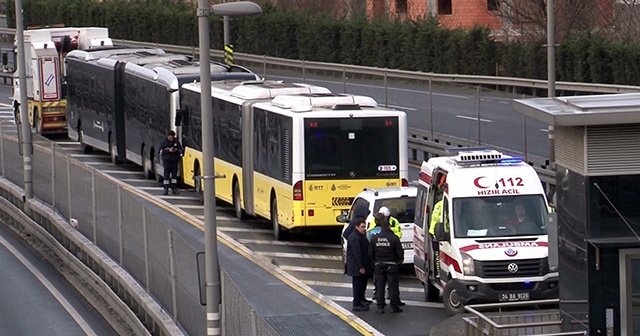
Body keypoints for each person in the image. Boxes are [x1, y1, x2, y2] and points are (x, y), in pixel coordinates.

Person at [369, 213, 403, 314]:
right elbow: (399, 252)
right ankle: (394, 306)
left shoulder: (375, 238)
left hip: (379, 264)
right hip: (392, 264)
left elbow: (370, 253)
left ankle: (380, 307)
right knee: (393, 286)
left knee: (380, 286)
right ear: (389, 226)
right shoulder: (394, 238)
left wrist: (374, 262)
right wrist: (399, 260)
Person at [346, 219, 373, 311]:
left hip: (362, 264)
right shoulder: (354, 238)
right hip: (356, 266)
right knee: (357, 285)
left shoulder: (360, 236)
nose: (364, 229)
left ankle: (362, 299)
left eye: (364, 227)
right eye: (362, 227)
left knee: (362, 283)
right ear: (356, 227)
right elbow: (357, 253)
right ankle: (356, 303)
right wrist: (361, 267)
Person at [160, 130, 183, 195]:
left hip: (174, 162)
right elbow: (161, 151)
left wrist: (175, 150)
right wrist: (168, 150)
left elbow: (181, 151)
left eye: (172, 138)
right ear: (168, 136)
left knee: (174, 177)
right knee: (166, 177)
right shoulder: (164, 142)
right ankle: (165, 189)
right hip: (167, 162)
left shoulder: (176, 142)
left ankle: (174, 189)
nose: (171, 139)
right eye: (170, 137)